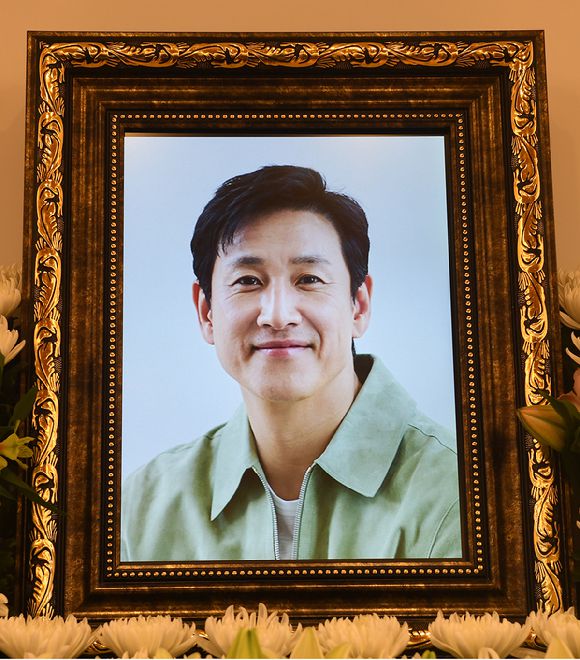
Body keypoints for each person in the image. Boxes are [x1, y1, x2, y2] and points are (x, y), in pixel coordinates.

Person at [121, 165, 461, 561]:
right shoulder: (143, 509)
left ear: (359, 306)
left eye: (309, 279)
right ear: (206, 313)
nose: (278, 315)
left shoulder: (458, 492)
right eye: (248, 281)